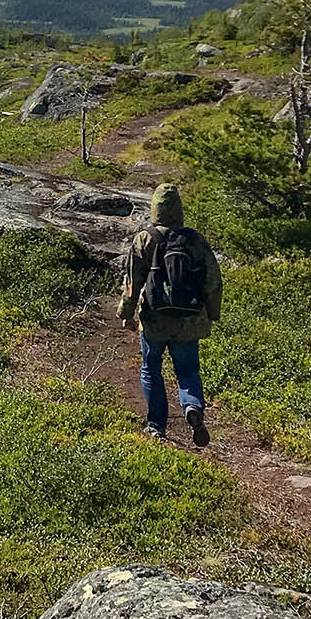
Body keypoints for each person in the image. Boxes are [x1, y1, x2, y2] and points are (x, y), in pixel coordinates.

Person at [116, 182, 223, 446]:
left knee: (151, 370)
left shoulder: (145, 238)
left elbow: (133, 282)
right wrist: (212, 313)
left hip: (155, 320)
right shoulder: (195, 240)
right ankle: (192, 408)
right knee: (187, 371)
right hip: (189, 319)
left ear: (155, 209)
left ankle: (156, 426)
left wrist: (126, 312)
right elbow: (213, 281)